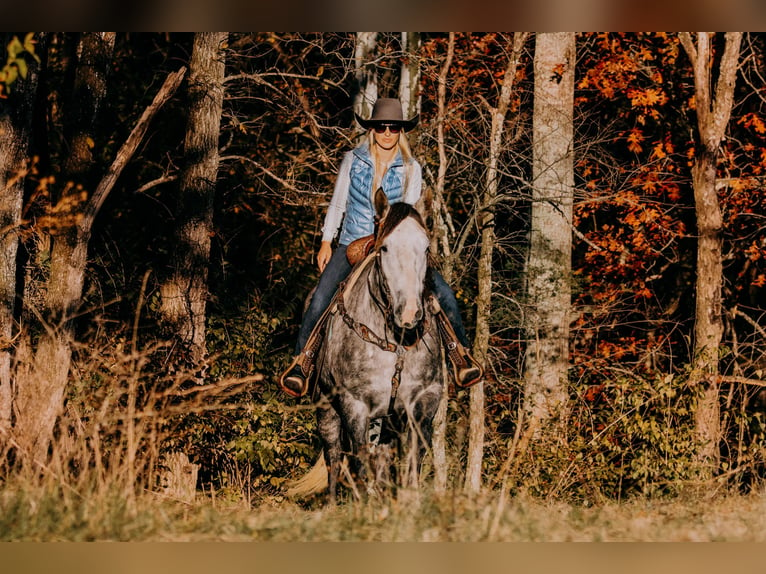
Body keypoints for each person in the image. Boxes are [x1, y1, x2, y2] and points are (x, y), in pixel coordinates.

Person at [279, 98, 482, 397]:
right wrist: (326, 241)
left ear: (401, 131)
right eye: (381, 127)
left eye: (393, 127)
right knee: (321, 297)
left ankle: (459, 356)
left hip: (395, 245)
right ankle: (303, 362)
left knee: (446, 295)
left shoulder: (412, 169)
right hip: (354, 242)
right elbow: (338, 202)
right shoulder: (353, 160)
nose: (387, 133)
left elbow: (410, 212)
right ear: (372, 129)